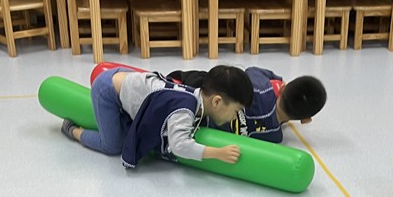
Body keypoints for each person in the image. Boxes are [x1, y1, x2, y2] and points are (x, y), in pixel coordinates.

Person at [62, 65, 254, 169]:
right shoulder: (185, 109)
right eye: (235, 110)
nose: (234, 117)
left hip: (127, 81)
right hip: (107, 90)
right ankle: (73, 130)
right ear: (217, 101)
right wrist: (218, 153)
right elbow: (179, 146)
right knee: (113, 146)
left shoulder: (197, 98)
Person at [167, 67, 327, 143]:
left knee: (212, 79)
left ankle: (173, 83)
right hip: (200, 123)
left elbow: (252, 70)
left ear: (282, 88)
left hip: (203, 93)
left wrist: (277, 79)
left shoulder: (261, 86)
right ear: (305, 120)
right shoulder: (274, 136)